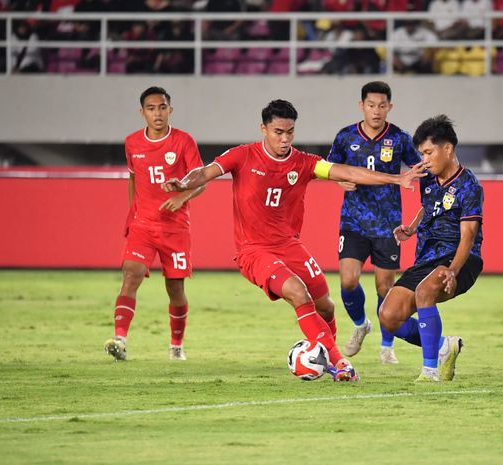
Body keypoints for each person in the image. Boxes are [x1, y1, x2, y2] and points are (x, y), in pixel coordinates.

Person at [162, 99, 424, 381]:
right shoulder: (243, 155)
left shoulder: (304, 162)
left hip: (290, 246)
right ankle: (339, 364)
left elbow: (345, 171)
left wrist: (396, 179)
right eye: (278, 132)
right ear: (263, 129)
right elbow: (206, 171)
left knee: (326, 306)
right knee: (299, 293)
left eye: (290, 132)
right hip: (254, 251)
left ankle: (322, 355)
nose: (284, 139)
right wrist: (184, 183)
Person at [378, 115, 484, 382]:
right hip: (427, 258)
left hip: (461, 257)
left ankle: (430, 371)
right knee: (388, 316)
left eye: (428, 152)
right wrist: (413, 227)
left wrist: (452, 270)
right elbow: (429, 206)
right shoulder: (428, 177)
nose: (424, 159)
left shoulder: (469, 186)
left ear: (447, 148)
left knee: (425, 292)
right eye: (421, 153)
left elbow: (468, 235)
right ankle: (443, 347)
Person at [104, 86, 205, 362]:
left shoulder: (184, 141)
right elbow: (133, 179)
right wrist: (132, 213)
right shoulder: (132, 143)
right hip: (143, 226)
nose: (157, 113)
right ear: (142, 113)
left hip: (175, 228)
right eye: (151, 108)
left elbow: (200, 181)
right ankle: (120, 341)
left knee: (175, 289)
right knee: (131, 275)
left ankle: (176, 347)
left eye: (162, 107)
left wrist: (182, 197)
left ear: (170, 110)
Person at [328, 81, 421, 365]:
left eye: (382, 105)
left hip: (387, 225)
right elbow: (329, 168)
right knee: (348, 280)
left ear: (389, 107)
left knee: (385, 288)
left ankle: (386, 345)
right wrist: (340, 179)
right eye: (371, 105)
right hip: (353, 221)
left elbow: (418, 168)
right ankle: (360, 325)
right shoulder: (345, 136)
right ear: (361, 106)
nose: (376, 111)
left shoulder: (400, 139)